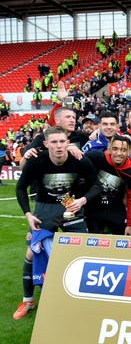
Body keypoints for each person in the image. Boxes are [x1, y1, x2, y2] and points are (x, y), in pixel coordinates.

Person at [13, 126, 99, 320]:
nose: (59, 146)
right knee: (32, 252)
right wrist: (27, 213)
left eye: (62, 141)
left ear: (68, 143)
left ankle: (81, 297)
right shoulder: (37, 161)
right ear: (46, 144)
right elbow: (20, 188)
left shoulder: (79, 160)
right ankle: (28, 300)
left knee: (82, 250)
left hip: (70, 205)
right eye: (54, 142)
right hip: (44, 208)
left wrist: (83, 200)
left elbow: (96, 184)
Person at [84, 135, 131, 236]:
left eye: (123, 150)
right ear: (109, 149)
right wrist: (72, 148)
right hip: (92, 208)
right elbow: (77, 159)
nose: (119, 153)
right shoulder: (96, 157)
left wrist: (130, 224)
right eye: (115, 149)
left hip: (115, 209)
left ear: (129, 152)